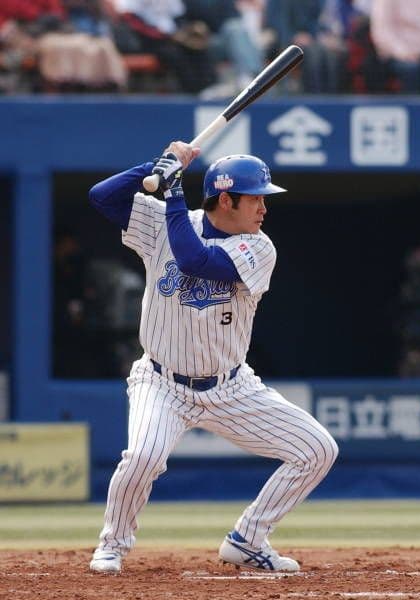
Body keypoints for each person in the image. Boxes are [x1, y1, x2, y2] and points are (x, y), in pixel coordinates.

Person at [88, 141, 338, 574]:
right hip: (161, 382)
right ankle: (113, 544)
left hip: (231, 387)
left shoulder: (259, 247)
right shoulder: (168, 220)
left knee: (318, 449)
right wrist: (156, 166)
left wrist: (171, 190)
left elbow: (195, 260)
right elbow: (102, 197)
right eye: (255, 198)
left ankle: (248, 539)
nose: (264, 208)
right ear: (226, 200)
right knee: (144, 456)